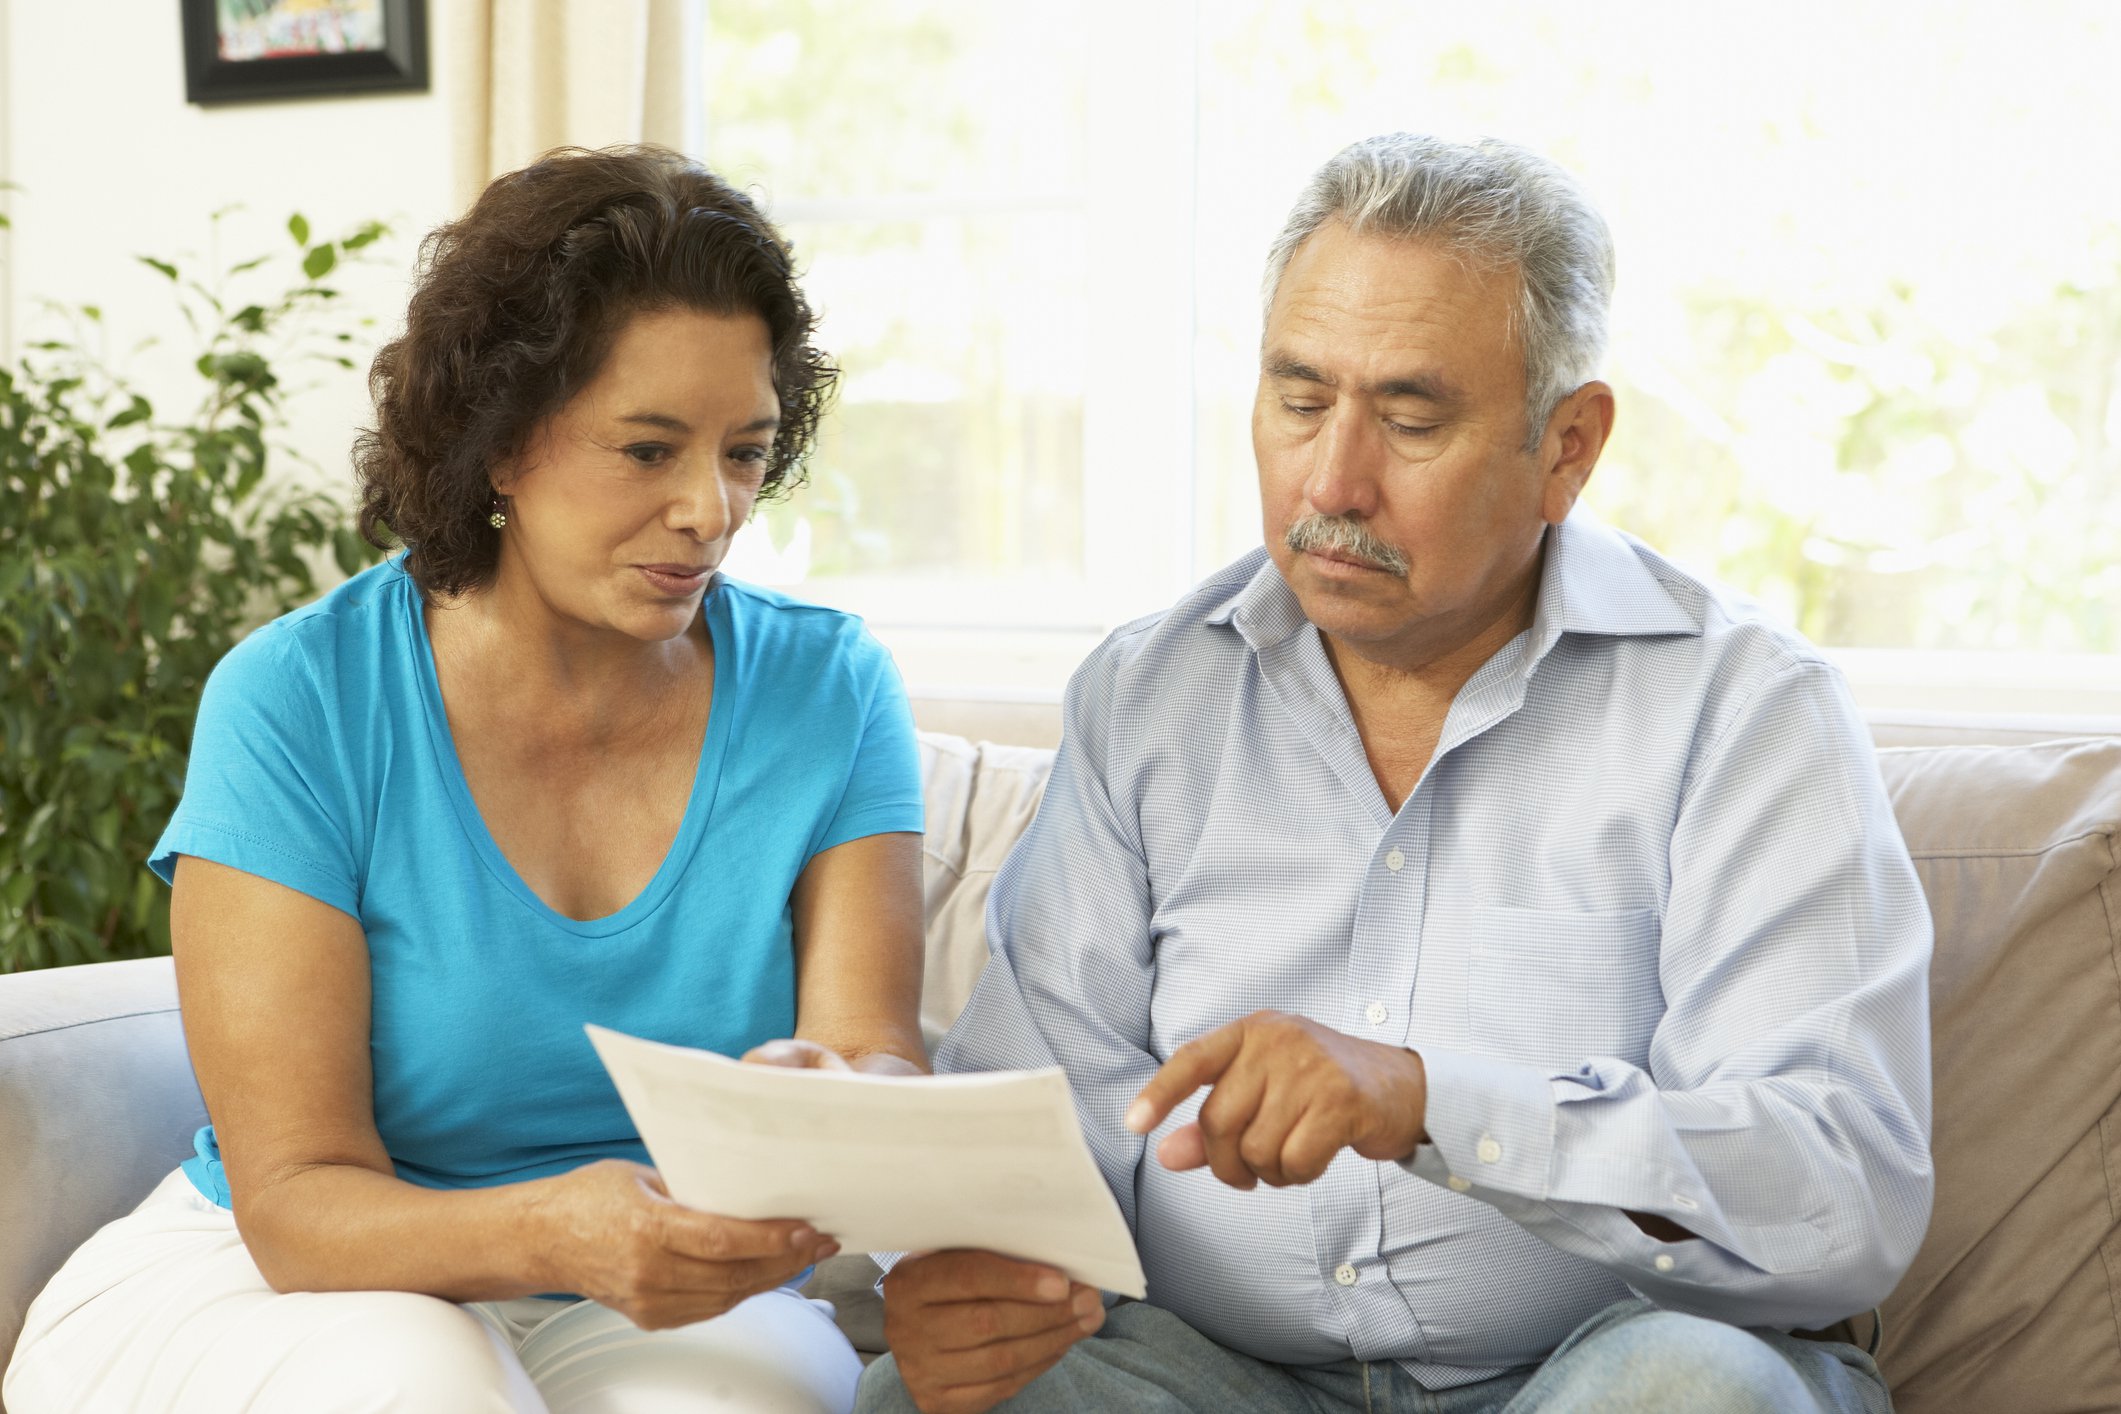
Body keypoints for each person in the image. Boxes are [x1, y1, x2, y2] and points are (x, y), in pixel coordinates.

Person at [857, 134, 1931, 1414]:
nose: (1331, 481)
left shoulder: (1745, 711)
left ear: (1568, 445)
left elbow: (1839, 1186)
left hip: (1600, 1373)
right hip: (1212, 1379)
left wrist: (1430, 1102)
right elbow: (1032, 1121)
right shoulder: (1148, 698)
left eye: (1411, 418)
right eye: (1299, 398)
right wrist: (963, 1275)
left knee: (1687, 1392)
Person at [4, 146, 929, 1414]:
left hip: (652, 1289)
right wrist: (552, 1230)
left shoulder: (830, 692)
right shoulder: (302, 699)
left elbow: (871, 1053)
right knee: (421, 1380)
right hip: (293, 1275)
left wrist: (844, 1104)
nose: (710, 510)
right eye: (649, 450)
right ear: (501, 443)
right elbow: (298, 1200)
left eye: (746, 452)